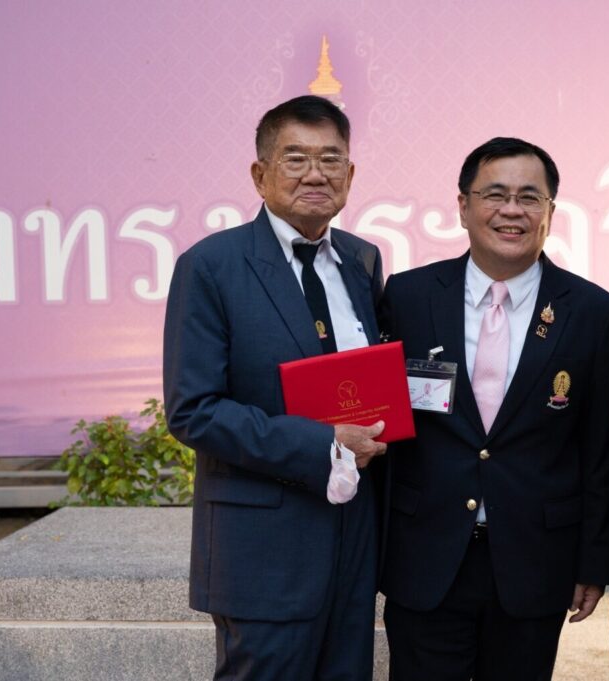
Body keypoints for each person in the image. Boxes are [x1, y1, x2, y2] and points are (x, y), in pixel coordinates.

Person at [163, 95, 387, 680]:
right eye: (296, 158)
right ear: (260, 175)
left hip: (352, 547)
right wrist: (324, 443)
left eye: (331, 159)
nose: (316, 174)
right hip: (260, 553)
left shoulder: (363, 261)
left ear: (350, 175)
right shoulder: (211, 265)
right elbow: (195, 411)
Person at [379, 137, 609, 681]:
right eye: (495, 194)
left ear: (551, 213)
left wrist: (592, 561)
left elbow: (599, 449)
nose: (512, 211)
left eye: (530, 197)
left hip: (535, 558)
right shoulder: (409, 297)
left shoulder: (593, 311)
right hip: (426, 552)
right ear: (463, 205)